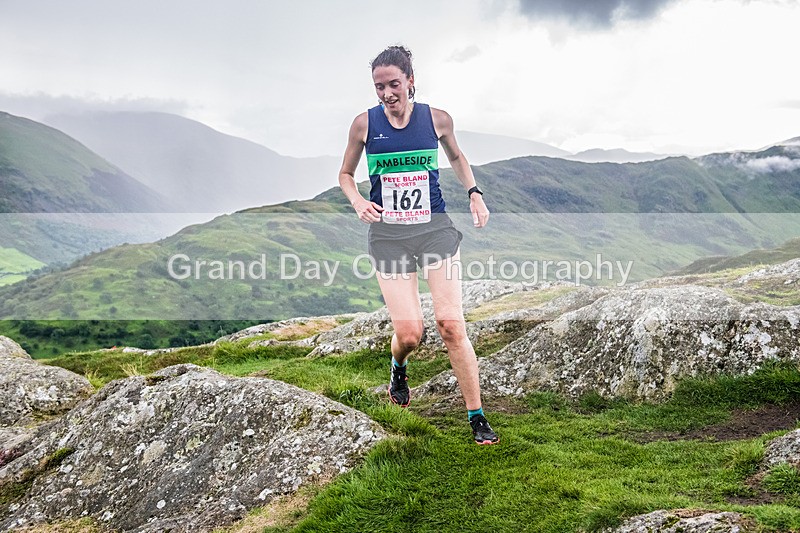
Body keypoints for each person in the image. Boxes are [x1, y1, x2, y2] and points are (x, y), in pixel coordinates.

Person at [338, 45, 498, 445]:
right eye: (379, 86)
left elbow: (457, 157)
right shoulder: (363, 125)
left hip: (434, 229)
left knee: (450, 324)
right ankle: (398, 366)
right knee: (410, 334)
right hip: (388, 236)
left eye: (394, 84)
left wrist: (474, 193)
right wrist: (357, 201)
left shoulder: (437, 119)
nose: (387, 93)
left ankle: (477, 416)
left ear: (410, 81)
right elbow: (345, 174)